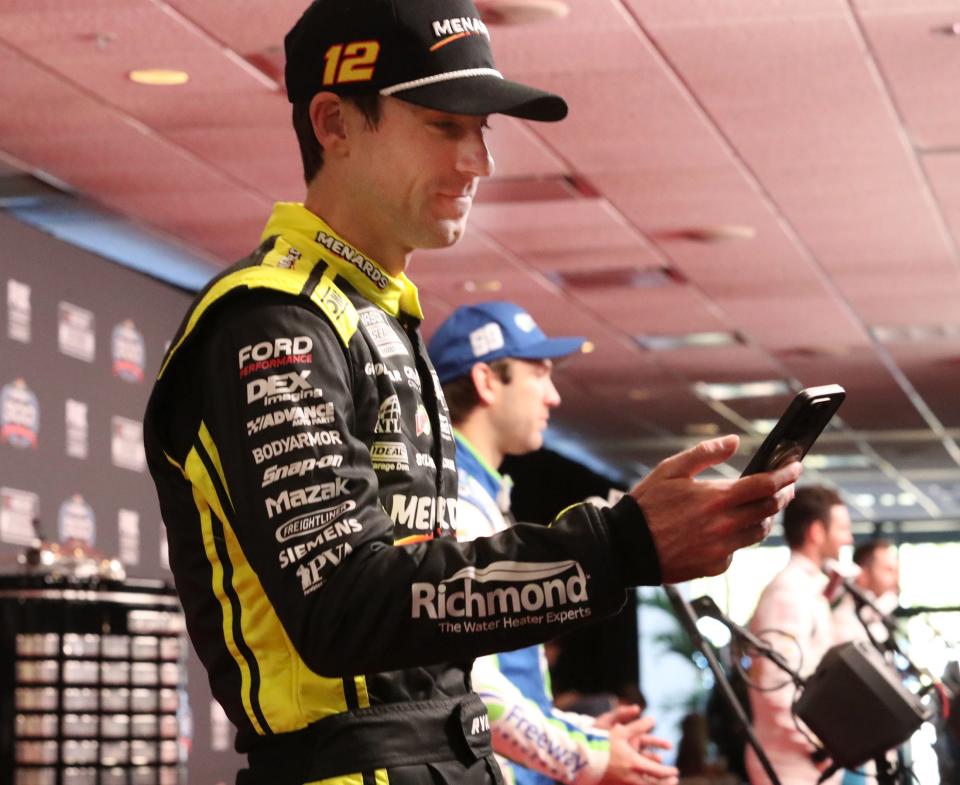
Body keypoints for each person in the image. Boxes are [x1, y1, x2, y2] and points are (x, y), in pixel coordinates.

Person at [143, 0, 802, 782]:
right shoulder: (271, 321)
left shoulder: (378, 318)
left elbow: (436, 625)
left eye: (481, 129)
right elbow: (345, 608)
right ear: (333, 122)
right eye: (442, 124)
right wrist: (617, 544)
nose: (477, 161)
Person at [428, 301, 677, 785]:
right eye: (538, 374)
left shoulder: (479, 492)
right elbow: (475, 689)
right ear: (485, 382)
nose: (554, 396)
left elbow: (507, 688)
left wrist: (584, 734)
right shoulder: (456, 499)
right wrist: (588, 758)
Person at [745, 486, 852, 785]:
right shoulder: (788, 593)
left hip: (809, 759)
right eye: (843, 528)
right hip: (792, 763)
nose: (848, 538)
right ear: (817, 532)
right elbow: (775, 685)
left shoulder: (809, 588)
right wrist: (820, 745)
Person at [831, 538, 900, 647]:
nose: (896, 579)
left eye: (897, 571)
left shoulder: (878, 623)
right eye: (889, 570)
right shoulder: (844, 619)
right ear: (863, 573)